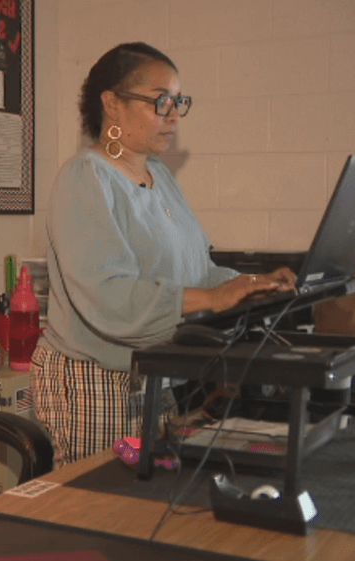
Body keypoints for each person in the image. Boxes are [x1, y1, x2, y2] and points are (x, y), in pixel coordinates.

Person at [32, 42, 296, 467]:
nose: (173, 115)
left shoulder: (160, 177)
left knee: (150, 506)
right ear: (112, 104)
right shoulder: (84, 178)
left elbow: (195, 270)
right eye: (160, 101)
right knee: (102, 512)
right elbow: (110, 296)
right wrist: (212, 299)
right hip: (97, 382)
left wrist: (250, 285)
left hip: (153, 376)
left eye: (178, 102)